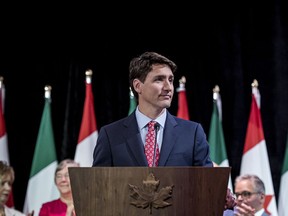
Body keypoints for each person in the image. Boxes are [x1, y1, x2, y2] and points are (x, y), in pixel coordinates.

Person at [92, 51, 213, 167]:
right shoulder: (111, 136)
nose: (168, 87)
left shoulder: (192, 133)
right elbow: (98, 184)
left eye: (170, 80)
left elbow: (206, 184)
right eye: (159, 79)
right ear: (138, 86)